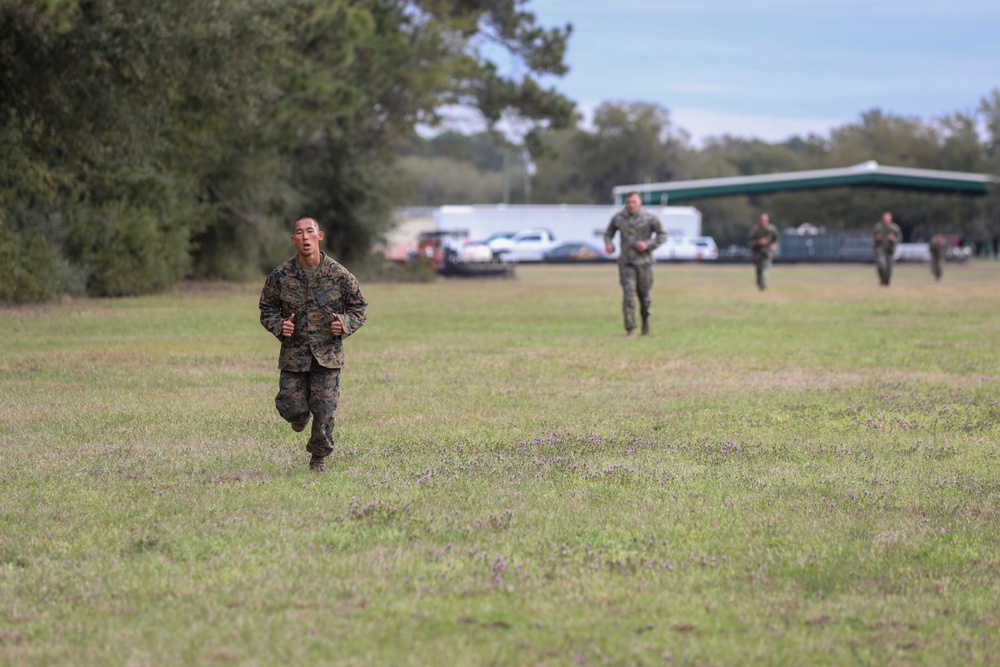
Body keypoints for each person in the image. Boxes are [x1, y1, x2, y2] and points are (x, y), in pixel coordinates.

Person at [259, 216, 367, 472]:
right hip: (294, 355)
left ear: (320, 236)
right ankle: (298, 417)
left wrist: (345, 323)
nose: (305, 237)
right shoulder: (281, 275)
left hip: (328, 355)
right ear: (293, 239)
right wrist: (278, 325)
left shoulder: (339, 275)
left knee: (325, 409)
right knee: (292, 408)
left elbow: (359, 307)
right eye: (299, 232)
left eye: (310, 232)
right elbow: (267, 308)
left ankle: (318, 458)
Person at [604, 191, 666, 337]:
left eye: (634, 202)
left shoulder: (650, 217)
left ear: (640, 203)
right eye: (629, 202)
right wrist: (609, 244)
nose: (631, 205)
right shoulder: (619, 218)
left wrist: (648, 244)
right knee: (629, 296)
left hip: (645, 263)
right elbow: (608, 233)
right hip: (626, 263)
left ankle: (645, 319)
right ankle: (630, 329)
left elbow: (662, 235)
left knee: (644, 297)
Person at [747, 213, 780, 290]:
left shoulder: (772, 229)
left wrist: (774, 245)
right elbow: (750, 242)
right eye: (762, 220)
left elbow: (776, 240)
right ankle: (760, 283)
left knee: (764, 268)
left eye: (765, 220)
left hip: (767, 252)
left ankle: (763, 285)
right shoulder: (755, 230)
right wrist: (759, 242)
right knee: (759, 270)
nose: (763, 222)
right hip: (757, 253)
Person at [873, 211, 903, 286]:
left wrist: (893, 239)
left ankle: (886, 282)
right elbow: (873, 238)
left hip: (891, 249)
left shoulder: (895, 228)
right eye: (884, 219)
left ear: (890, 220)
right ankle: (882, 279)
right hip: (880, 249)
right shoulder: (878, 228)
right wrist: (877, 239)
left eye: (887, 219)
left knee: (889, 267)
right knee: (881, 265)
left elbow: (900, 238)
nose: (886, 221)